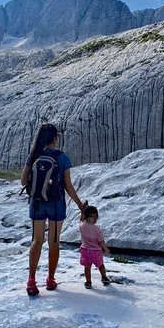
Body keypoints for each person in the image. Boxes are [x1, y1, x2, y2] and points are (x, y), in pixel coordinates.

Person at [21, 123, 84, 296]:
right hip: (56, 205)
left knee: (37, 240)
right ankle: (50, 280)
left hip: (37, 203)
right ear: (55, 138)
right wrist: (80, 206)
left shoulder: (33, 155)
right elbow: (68, 186)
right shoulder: (62, 157)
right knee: (54, 242)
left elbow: (23, 181)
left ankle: (31, 281)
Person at [79, 204, 112, 289]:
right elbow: (101, 242)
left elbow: (81, 219)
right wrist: (106, 249)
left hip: (85, 250)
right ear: (95, 216)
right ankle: (104, 277)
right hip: (96, 251)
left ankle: (88, 282)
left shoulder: (81, 225)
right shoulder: (97, 229)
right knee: (100, 265)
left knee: (87, 267)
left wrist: (83, 211)